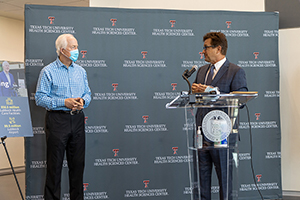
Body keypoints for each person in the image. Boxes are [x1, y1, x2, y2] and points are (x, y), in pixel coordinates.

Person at [192, 32, 247, 200]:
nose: (203, 51)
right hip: (202, 134)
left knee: (224, 180)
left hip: (222, 136)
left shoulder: (235, 71)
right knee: (202, 181)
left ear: (218, 48)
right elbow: (194, 99)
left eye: (206, 47)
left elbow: (241, 99)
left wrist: (213, 92)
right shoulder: (201, 71)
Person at [35, 34, 91, 200]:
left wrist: (83, 101)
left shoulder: (81, 71)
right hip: (57, 120)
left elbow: (87, 93)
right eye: (73, 47)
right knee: (55, 167)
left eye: (77, 46)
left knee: (78, 167)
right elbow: (40, 97)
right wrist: (63, 102)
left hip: (78, 120)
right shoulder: (48, 71)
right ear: (62, 50)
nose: (76, 50)